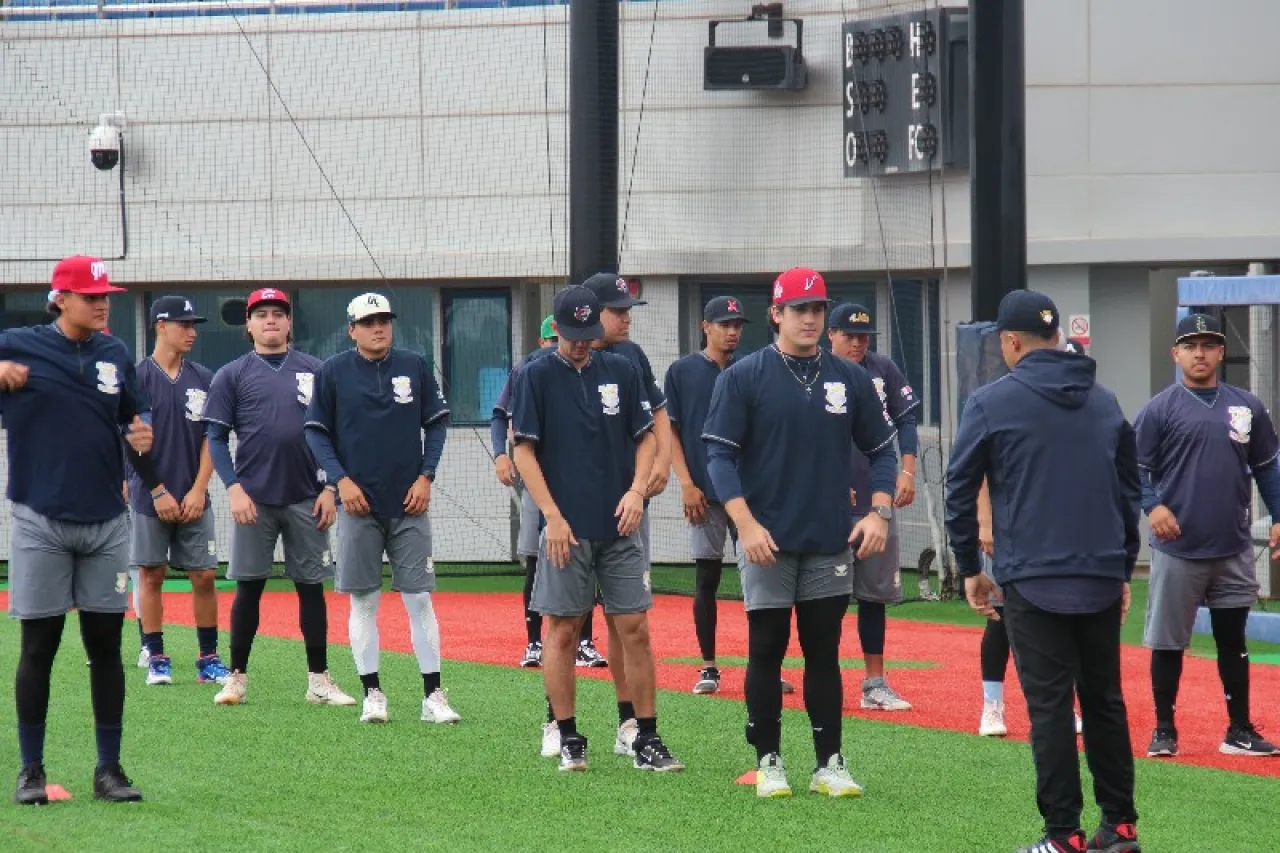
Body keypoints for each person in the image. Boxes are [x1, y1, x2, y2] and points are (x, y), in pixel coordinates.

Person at [946, 290, 1141, 853]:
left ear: (1010, 342)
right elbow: (1128, 491)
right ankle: (1120, 828)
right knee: (1104, 702)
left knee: (1051, 709)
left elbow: (959, 488)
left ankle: (1063, 837)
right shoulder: (1104, 401)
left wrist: (969, 567)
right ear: (1056, 337)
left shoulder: (992, 402)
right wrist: (1122, 567)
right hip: (1101, 577)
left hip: (1033, 578)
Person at [703, 267, 898, 799]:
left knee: (824, 650)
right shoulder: (743, 376)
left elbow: (883, 449)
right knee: (767, 647)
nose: (810, 319)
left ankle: (829, 763)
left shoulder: (849, 378)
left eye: (817, 310)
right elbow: (719, 456)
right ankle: (769, 761)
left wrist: (879, 510)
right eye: (799, 310)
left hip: (829, 537)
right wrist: (745, 524)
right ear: (776, 315)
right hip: (766, 539)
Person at [510, 284, 684, 773]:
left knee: (635, 628)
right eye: (575, 334)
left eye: (590, 333)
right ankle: (567, 735)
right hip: (567, 529)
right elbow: (524, 450)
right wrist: (553, 516)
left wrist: (635, 491)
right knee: (562, 631)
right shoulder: (536, 375)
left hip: (621, 523)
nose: (584, 342)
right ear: (557, 328)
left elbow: (645, 436)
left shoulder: (623, 369)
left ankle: (645, 737)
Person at [4, 256, 153, 804]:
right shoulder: (18, 343)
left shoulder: (115, 353)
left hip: (107, 523)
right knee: (38, 645)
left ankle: (109, 770)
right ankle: (30, 771)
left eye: (105, 294)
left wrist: (141, 434)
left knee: (106, 647)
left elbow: (131, 417)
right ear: (60, 299)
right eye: (90, 295)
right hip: (39, 517)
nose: (102, 302)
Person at [304, 293, 461, 725]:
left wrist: (427, 475)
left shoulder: (414, 365)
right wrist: (341, 481)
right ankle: (373, 692)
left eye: (385, 320)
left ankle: (433, 695)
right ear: (352, 328)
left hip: (409, 503)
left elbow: (438, 422)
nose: (379, 328)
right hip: (357, 506)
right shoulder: (333, 372)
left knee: (420, 599)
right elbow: (316, 434)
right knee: (365, 601)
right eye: (369, 321)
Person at [1135, 312, 1280, 758]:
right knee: (1168, 642)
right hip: (1178, 546)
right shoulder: (1160, 408)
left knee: (1233, 640)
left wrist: (1279, 515)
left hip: (1232, 545)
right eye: (1191, 345)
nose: (1200, 353)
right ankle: (1164, 729)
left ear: (1221, 351)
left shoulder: (1246, 405)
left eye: (1209, 345)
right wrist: (1153, 506)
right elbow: (1131, 469)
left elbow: (1267, 467)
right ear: (1175, 352)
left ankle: (1238, 729)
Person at [203, 287, 355, 708]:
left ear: (290, 323)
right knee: (248, 589)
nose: (270, 320)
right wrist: (233, 488)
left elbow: (338, 434)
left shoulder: (317, 370)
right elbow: (215, 437)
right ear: (248, 325)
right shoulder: (231, 375)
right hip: (253, 500)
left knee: (311, 590)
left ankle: (319, 681)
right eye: (261, 314)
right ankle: (236, 679)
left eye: (278, 313)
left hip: (309, 498)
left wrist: (331, 489)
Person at [580, 271, 681, 757]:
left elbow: (657, 413)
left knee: (629, 621)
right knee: (566, 621)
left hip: (628, 506)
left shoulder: (631, 356)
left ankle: (630, 725)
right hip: (576, 511)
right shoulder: (561, 360)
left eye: (627, 309)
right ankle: (559, 725)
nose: (625, 318)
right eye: (616, 309)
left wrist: (660, 466)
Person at [491, 314, 604, 670]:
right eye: (553, 340)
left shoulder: (593, 370)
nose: (560, 347)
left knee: (587, 562)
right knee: (536, 560)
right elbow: (499, 415)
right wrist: (500, 456)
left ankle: (585, 641)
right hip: (539, 481)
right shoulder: (528, 369)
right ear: (544, 341)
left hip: (583, 484)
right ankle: (534, 643)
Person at [129, 296, 229, 688]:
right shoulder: (137, 377)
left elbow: (213, 436)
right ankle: (156, 656)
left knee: (204, 576)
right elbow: (130, 440)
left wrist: (200, 489)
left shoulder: (206, 378)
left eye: (194, 324)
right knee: (151, 574)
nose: (191, 332)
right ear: (160, 326)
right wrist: (156, 490)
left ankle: (208, 658)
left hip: (194, 497)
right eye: (183, 324)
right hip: (149, 495)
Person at [826, 302, 917, 712]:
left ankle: (874, 683)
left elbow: (907, 419)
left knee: (875, 594)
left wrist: (908, 472)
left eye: (864, 336)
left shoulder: (882, 368)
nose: (859, 342)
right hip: (828, 502)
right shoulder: (816, 370)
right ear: (831, 334)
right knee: (823, 596)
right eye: (850, 335)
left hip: (875, 499)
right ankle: (821, 675)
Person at [664, 295, 748, 695]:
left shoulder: (751, 370)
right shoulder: (682, 371)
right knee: (707, 577)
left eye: (737, 325)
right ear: (705, 326)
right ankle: (709, 666)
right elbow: (671, 431)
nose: (732, 331)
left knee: (762, 581)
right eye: (724, 324)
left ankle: (764, 665)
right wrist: (685, 482)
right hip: (703, 491)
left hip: (749, 492)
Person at [975, 480, 1084, 739]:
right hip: (1006, 528)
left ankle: (1061, 707)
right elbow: (983, 475)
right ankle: (992, 706)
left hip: (1052, 530)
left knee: (1056, 616)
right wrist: (986, 523)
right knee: (1000, 616)